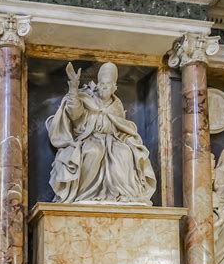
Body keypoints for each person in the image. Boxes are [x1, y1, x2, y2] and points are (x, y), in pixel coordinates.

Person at [46, 62, 156, 204]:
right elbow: (75, 114)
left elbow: (120, 127)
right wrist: (73, 88)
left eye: (108, 85)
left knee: (125, 153)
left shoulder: (117, 105)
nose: (103, 87)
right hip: (89, 138)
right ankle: (83, 195)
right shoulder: (87, 98)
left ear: (114, 87)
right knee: (93, 151)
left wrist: (128, 139)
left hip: (113, 141)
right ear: (97, 84)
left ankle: (124, 194)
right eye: (102, 83)